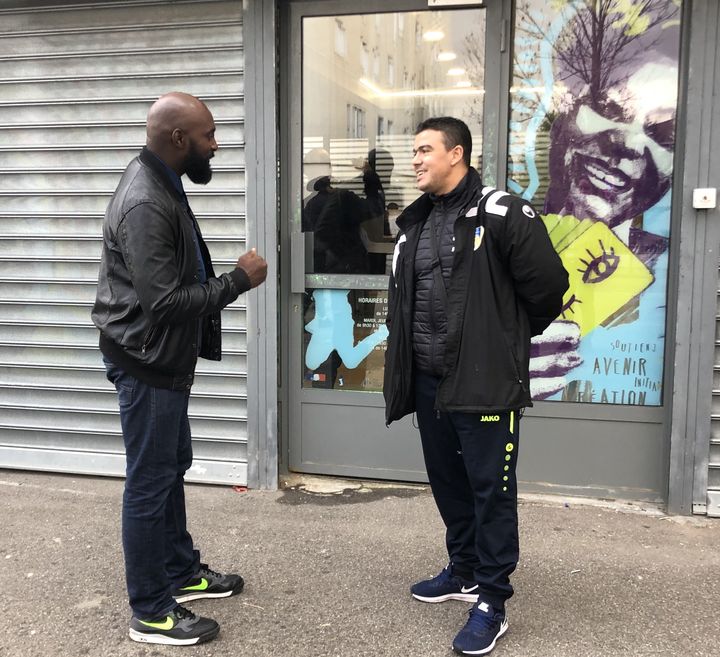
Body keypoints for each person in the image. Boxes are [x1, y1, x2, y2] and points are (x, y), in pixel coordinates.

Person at [383, 117, 567, 655]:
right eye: (413, 150)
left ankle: (492, 599)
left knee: (491, 492)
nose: (415, 159)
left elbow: (549, 289)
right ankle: (463, 569)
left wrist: (501, 340)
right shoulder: (414, 223)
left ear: (456, 153)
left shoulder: (502, 212)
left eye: (424, 150)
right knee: (448, 484)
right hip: (428, 383)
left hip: (484, 384)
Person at [91, 92, 268, 646]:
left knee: (173, 463)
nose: (215, 145)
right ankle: (151, 611)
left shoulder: (162, 182)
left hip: (160, 359)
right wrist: (238, 281)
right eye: (208, 136)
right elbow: (164, 303)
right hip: (146, 361)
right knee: (149, 482)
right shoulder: (146, 201)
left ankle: (179, 571)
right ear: (177, 139)